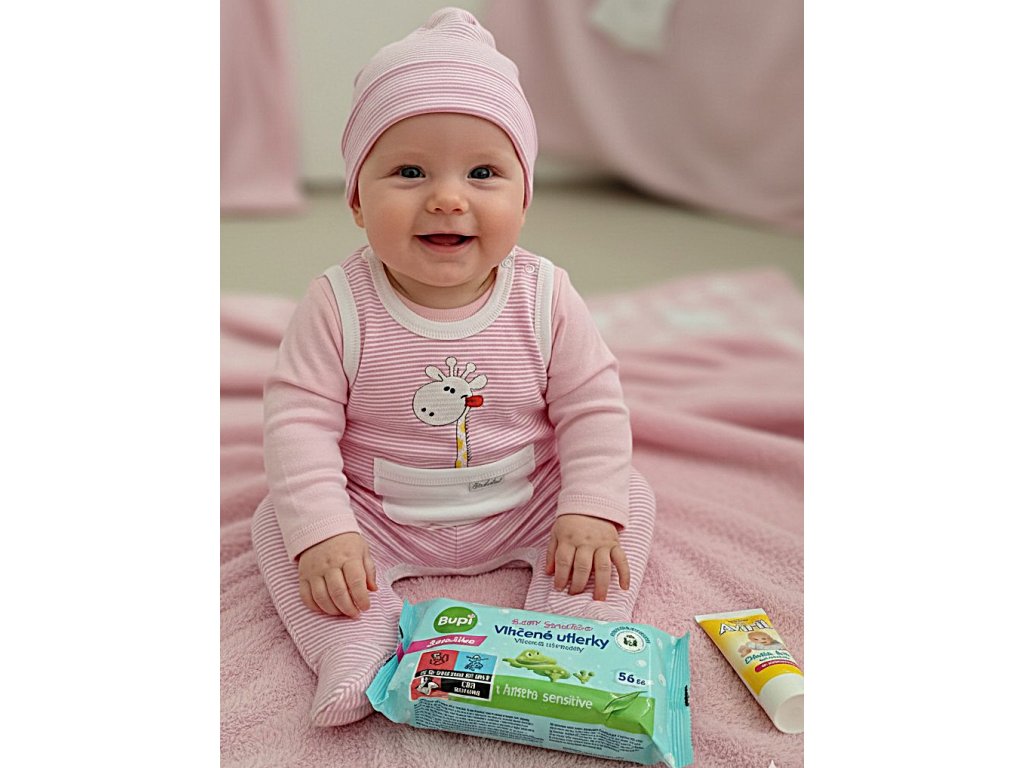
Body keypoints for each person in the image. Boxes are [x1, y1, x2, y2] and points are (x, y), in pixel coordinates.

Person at [251, 7, 656, 727]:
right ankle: (354, 645)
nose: (447, 197)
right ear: (356, 199)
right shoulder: (337, 303)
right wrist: (326, 532)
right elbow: (298, 423)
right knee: (280, 525)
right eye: (409, 171)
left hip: (525, 498)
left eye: (483, 172)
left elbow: (593, 408)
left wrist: (589, 510)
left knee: (625, 498)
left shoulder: (545, 295)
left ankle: (572, 634)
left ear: (523, 197)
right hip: (379, 513)